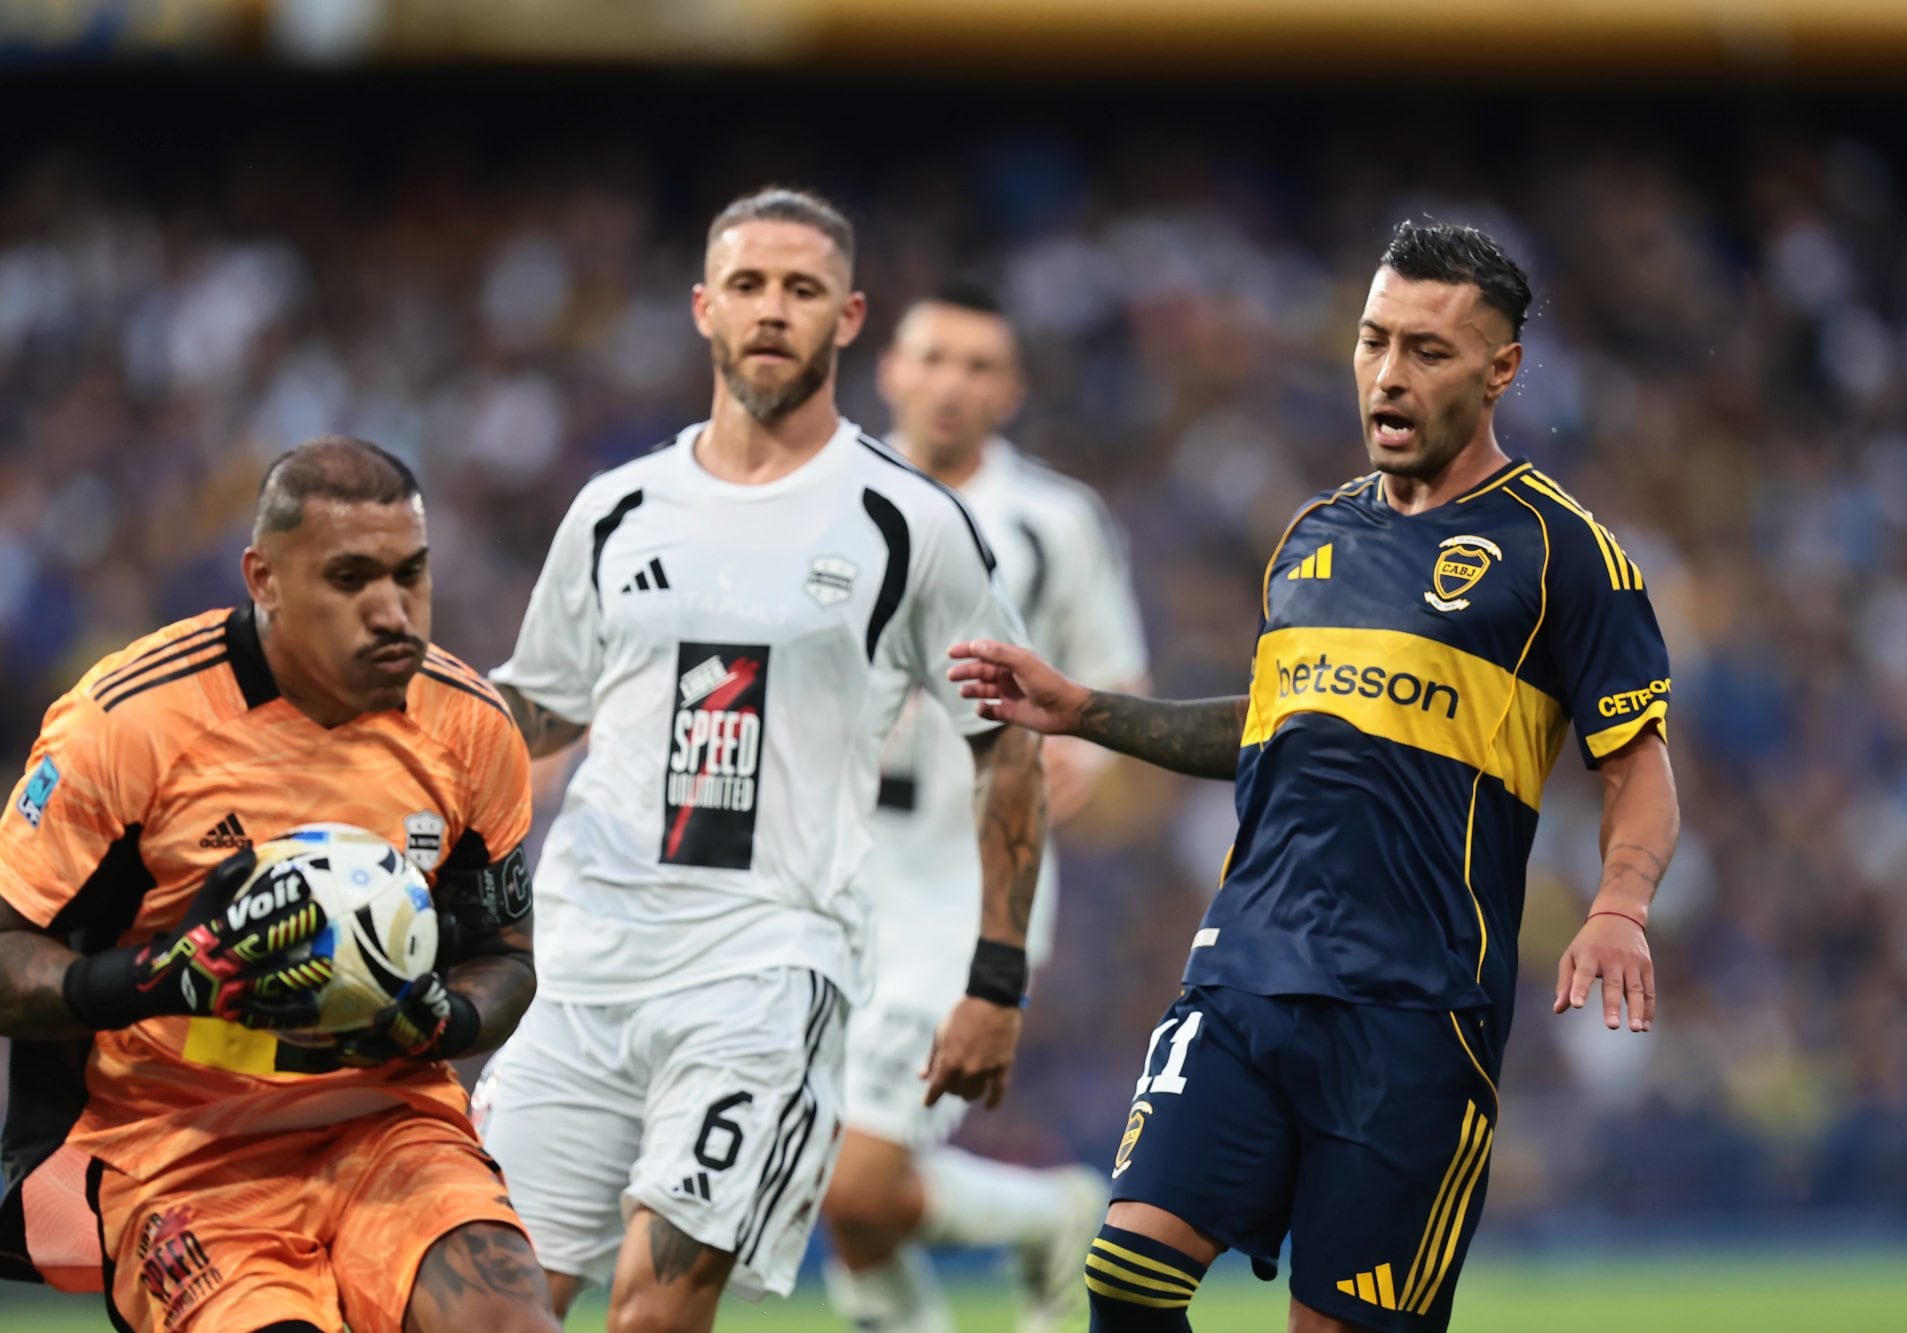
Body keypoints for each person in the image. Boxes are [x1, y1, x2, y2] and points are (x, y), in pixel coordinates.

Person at [950, 221, 1681, 1332]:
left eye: (1427, 351)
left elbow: (1635, 764)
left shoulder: (1563, 553)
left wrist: (1619, 905)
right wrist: (1082, 709)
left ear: (1500, 370)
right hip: (1244, 974)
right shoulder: (1311, 536)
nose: (1388, 373)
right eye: (1373, 340)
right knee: (1125, 1273)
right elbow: (1272, 727)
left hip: (1416, 1013)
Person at [473, 188, 1048, 1333]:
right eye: (746, 285)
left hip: (767, 970)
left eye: (801, 289)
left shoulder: (907, 523)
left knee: (651, 1314)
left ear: (849, 317)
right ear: (704, 308)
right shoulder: (616, 509)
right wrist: (397, 731)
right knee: (487, 1311)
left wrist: (994, 979)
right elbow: (539, 705)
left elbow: (1006, 745)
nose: (772, 310)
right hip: (580, 965)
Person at [0, 436, 557, 1333]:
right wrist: (156, 981)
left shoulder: (470, 728)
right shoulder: (126, 722)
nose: (393, 611)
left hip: (390, 1126)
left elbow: (506, 957)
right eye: (350, 578)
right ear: (264, 579)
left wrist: (444, 1021)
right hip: (183, 1151)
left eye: (410, 574)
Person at [820, 284, 1149, 1333]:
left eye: (978, 366)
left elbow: (1112, 679)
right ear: (890, 369)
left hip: (961, 894)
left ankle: (1053, 1219)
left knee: (854, 1180)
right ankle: (1046, 1220)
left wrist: (1086, 755)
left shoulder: (1054, 520)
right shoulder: (823, 496)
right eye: (933, 358)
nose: (951, 384)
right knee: (819, 1177)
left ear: (1009, 390)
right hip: (816, 881)